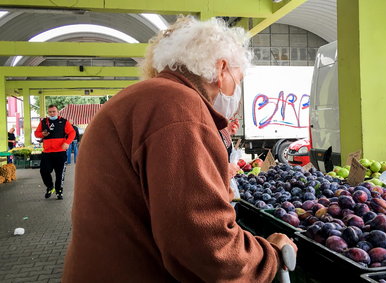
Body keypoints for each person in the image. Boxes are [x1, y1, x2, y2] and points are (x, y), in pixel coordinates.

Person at [63, 16, 296, 282]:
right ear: (221, 69)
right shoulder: (179, 107)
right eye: (237, 78)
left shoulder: (144, 97)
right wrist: (271, 254)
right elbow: (207, 249)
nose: (237, 90)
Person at [34, 105, 75, 200]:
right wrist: (42, 134)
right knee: (43, 171)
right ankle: (50, 186)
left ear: (58, 112)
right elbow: (36, 133)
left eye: (54, 111)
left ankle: (59, 191)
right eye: (50, 112)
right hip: (47, 153)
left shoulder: (64, 122)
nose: (52, 113)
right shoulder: (43, 122)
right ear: (48, 112)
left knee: (59, 174)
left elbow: (72, 133)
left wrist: (67, 143)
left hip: (60, 152)